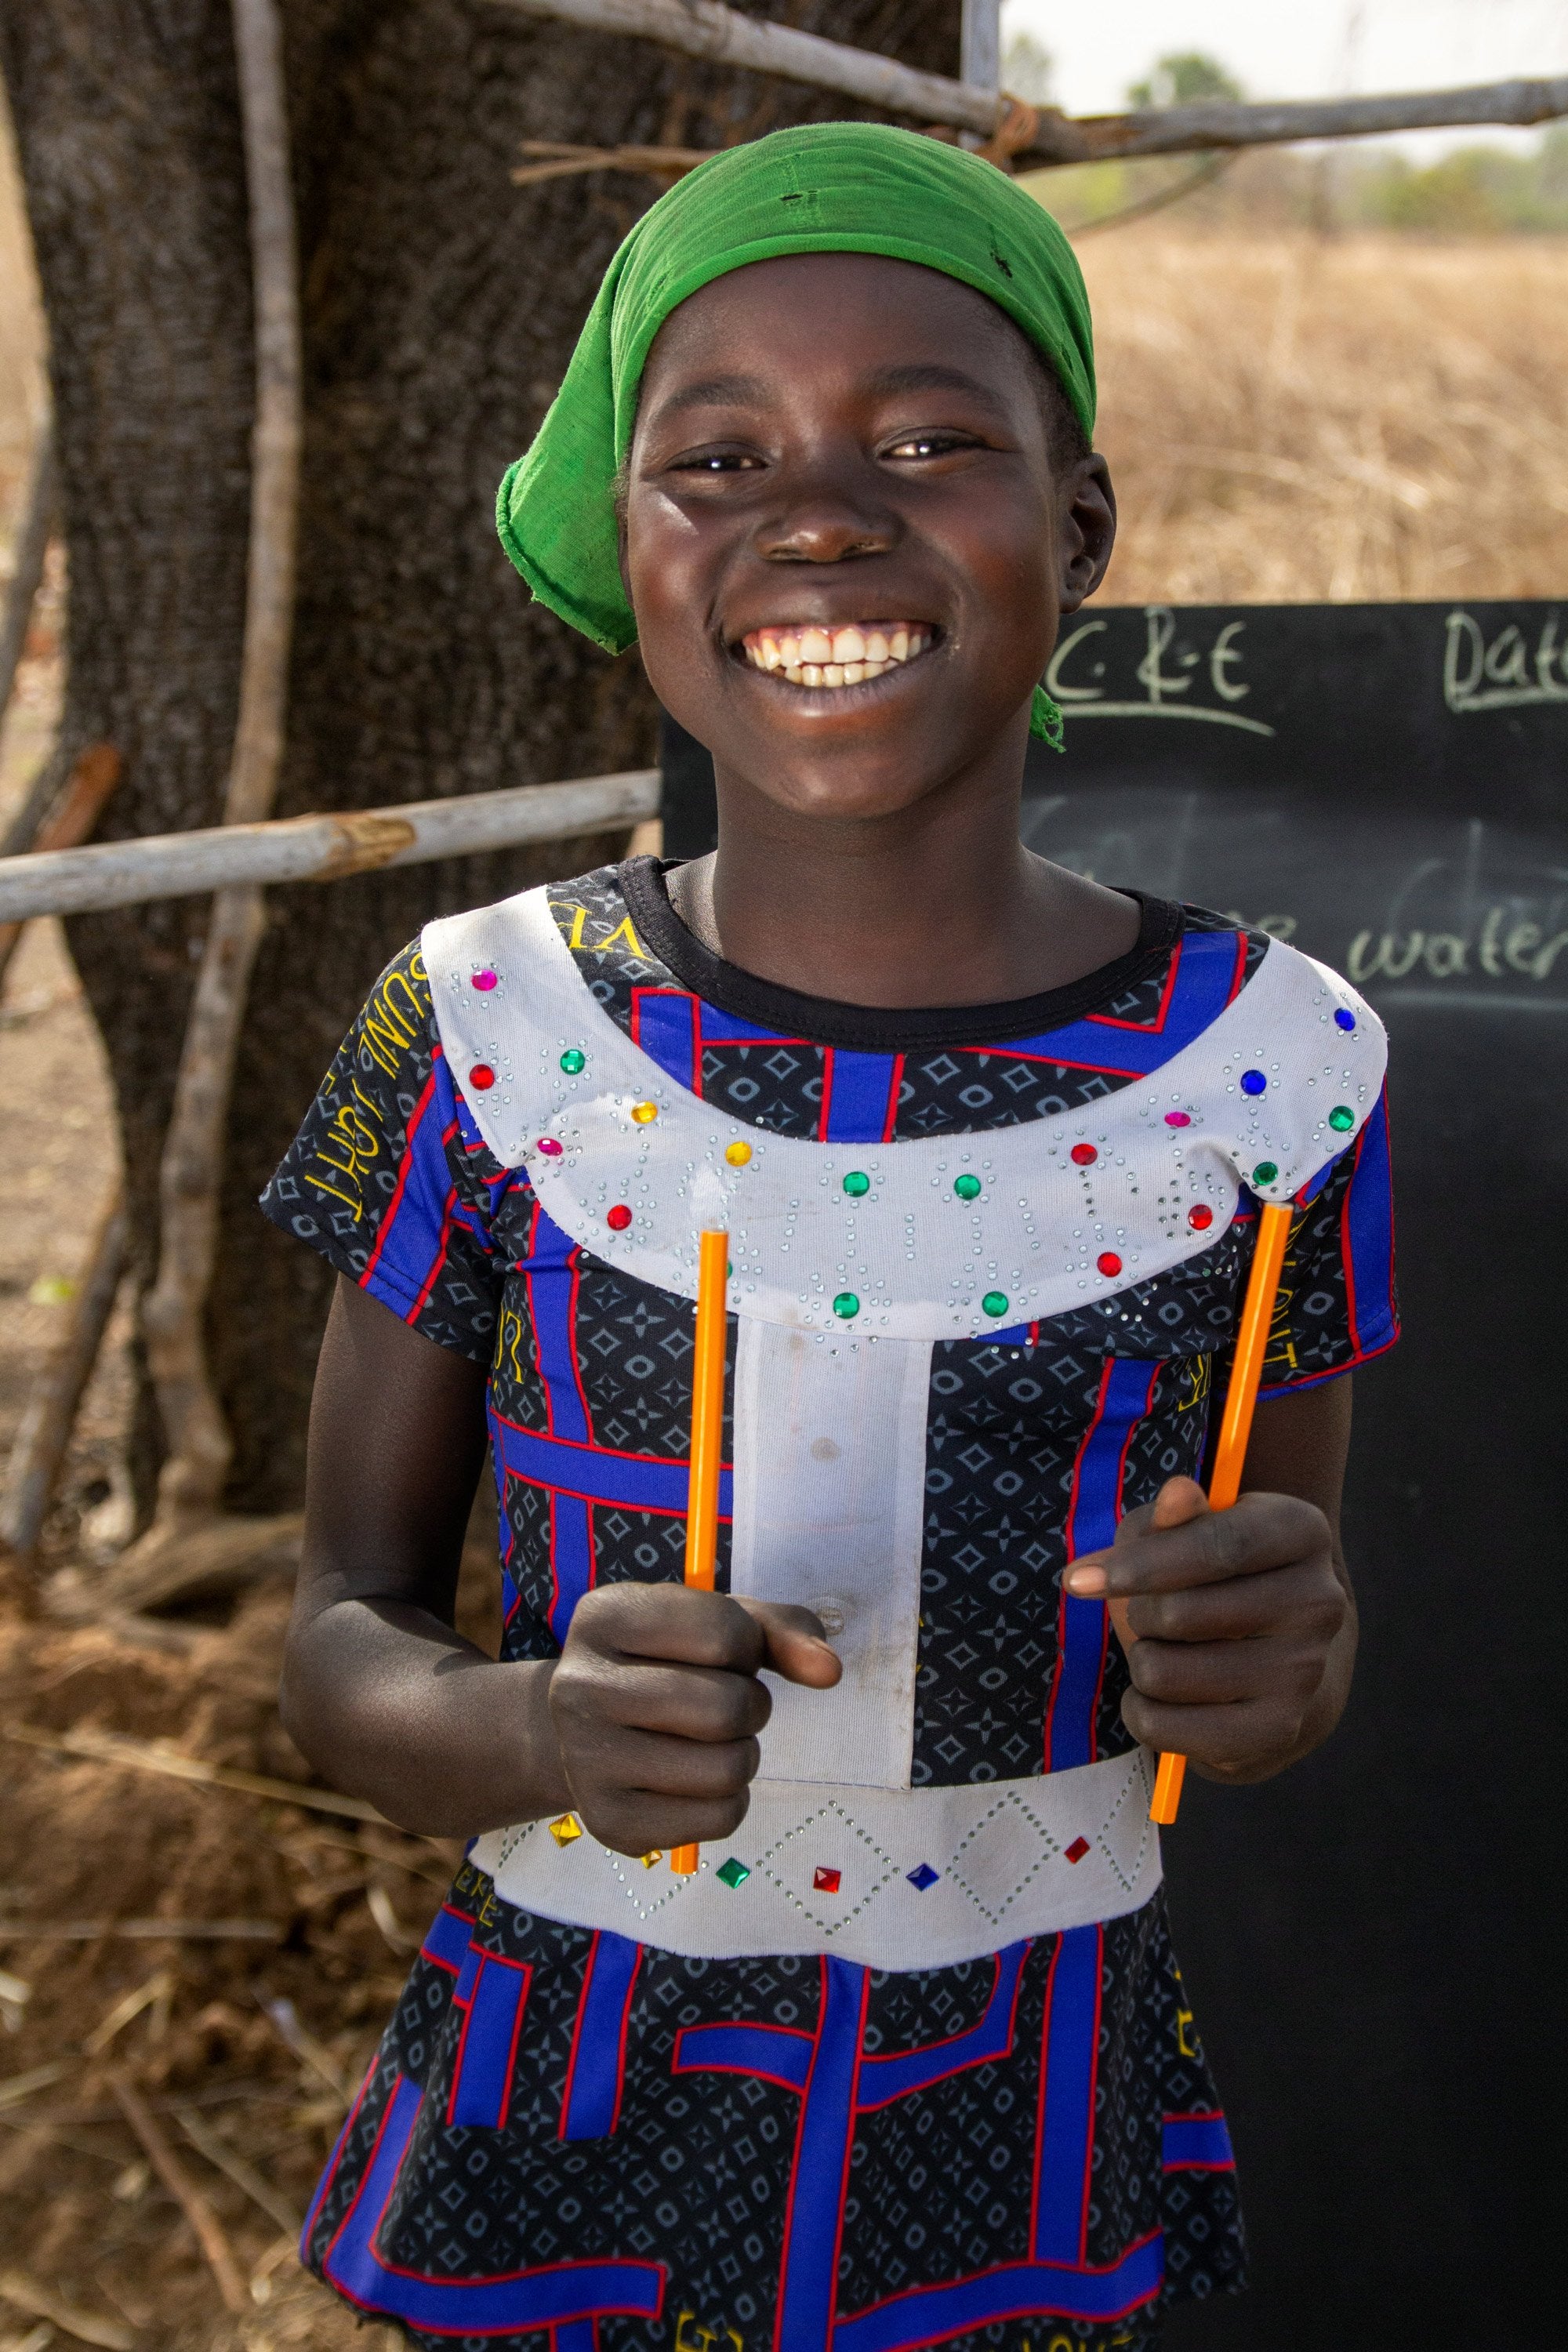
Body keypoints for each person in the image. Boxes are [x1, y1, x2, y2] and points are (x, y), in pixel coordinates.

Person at [262, 122, 1397, 2352]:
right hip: (562, 2116)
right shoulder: (489, 1030)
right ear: (631, 539)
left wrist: (1285, 1672)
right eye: (719, 455)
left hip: (1029, 2132)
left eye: (931, 436)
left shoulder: (1273, 1073)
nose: (822, 511)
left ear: (1079, 525)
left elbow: (1263, 1650)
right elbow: (336, 1639)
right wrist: (524, 1732)